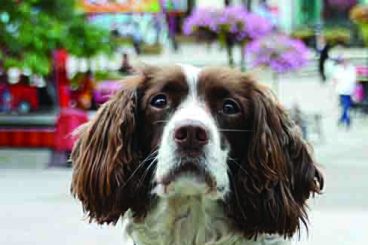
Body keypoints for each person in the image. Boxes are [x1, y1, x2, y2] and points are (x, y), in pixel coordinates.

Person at [331, 58, 357, 128]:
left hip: (349, 90)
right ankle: (346, 120)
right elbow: (335, 79)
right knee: (345, 105)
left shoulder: (351, 69)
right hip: (342, 90)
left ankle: (343, 119)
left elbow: (353, 79)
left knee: (346, 106)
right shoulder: (338, 69)